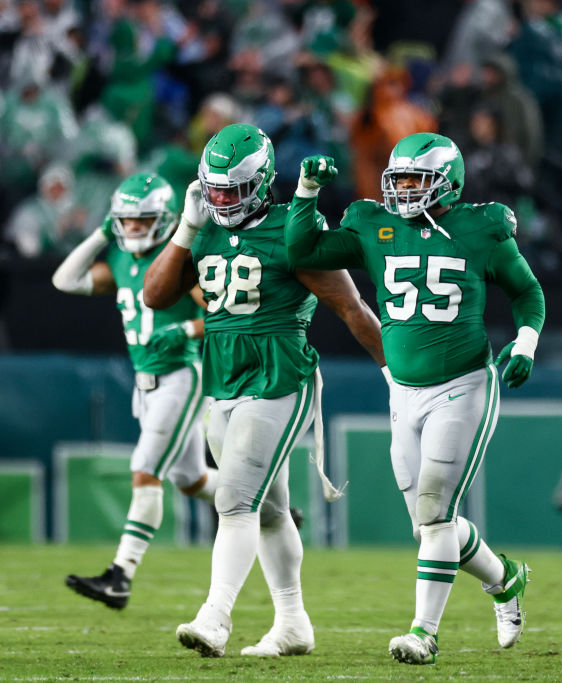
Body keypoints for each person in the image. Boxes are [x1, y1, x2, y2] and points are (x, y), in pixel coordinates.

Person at [284, 132, 545, 665]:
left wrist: (526, 341)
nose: (402, 190)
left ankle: (423, 634)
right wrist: (306, 190)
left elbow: (527, 292)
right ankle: (506, 580)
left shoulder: (480, 227)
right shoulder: (370, 223)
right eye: (397, 179)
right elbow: (303, 250)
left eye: (414, 179)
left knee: (434, 513)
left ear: (447, 182)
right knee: (430, 524)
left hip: (465, 385)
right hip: (402, 390)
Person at [142, 123, 386, 658]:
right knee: (270, 511)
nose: (222, 199)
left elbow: (351, 308)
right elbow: (156, 294)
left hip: (279, 378)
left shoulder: (290, 229)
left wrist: (396, 373)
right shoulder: (203, 227)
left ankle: (215, 617)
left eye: (233, 189)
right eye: (215, 188)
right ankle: (293, 623)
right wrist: (186, 227)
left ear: (262, 183)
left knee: (233, 500)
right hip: (223, 382)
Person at [52, 172, 217, 610]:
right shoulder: (123, 263)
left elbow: (222, 313)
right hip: (145, 385)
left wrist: (185, 329)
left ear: (162, 220)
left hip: (182, 375)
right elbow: (65, 280)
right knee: (192, 479)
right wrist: (100, 231)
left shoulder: (177, 259)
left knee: (145, 470)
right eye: (125, 222)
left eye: (143, 221)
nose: (133, 229)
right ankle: (273, 507)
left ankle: (120, 575)